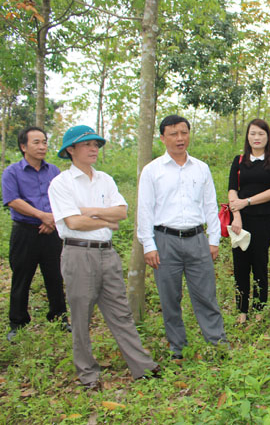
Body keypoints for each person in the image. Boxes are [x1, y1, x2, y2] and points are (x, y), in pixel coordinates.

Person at [48, 125, 159, 390]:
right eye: (87, 144)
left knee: (120, 312)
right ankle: (88, 375)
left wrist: (90, 212)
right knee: (81, 316)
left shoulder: (105, 180)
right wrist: (102, 217)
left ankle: (142, 367)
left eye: (96, 144)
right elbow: (73, 223)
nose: (94, 148)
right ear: (71, 150)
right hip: (78, 254)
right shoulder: (61, 183)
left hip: (107, 255)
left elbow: (121, 213)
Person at [137, 115, 228, 360]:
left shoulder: (201, 168)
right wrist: (148, 245)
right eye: (174, 133)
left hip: (197, 238)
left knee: (206, 294)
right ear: (162, 138)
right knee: (170, 297)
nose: (180, 138)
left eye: (184, 132)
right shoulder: (152, 170)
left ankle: (218, 344)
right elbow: (144, 209)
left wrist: (213, 239)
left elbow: (210, 205)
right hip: (165, 240)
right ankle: (177, 348)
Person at [2, 127, 69, 341]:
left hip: (51, 231)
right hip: (25, 231)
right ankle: (17, 323)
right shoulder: (12, 172)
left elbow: (62, 198)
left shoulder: (54, 172)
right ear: (23, 147)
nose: (42, 147)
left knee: (55, 276)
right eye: (36, 142)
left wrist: (51, 220)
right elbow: (13, 200)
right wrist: (43, 216)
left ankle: (59, 317)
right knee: (22, 276)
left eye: (45, 142)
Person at [228, 119, 270, 324]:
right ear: (247, 136)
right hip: (239, 221)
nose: (257, 138)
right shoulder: (240, 160)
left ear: (267, 137)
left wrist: (247, 202)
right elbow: (232, 189)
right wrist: (236, 214)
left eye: (261, 133)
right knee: (240, 265)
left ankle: (260, 308)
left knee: (260, 264)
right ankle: (242, 310)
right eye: (253, 133)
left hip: (262, 218)